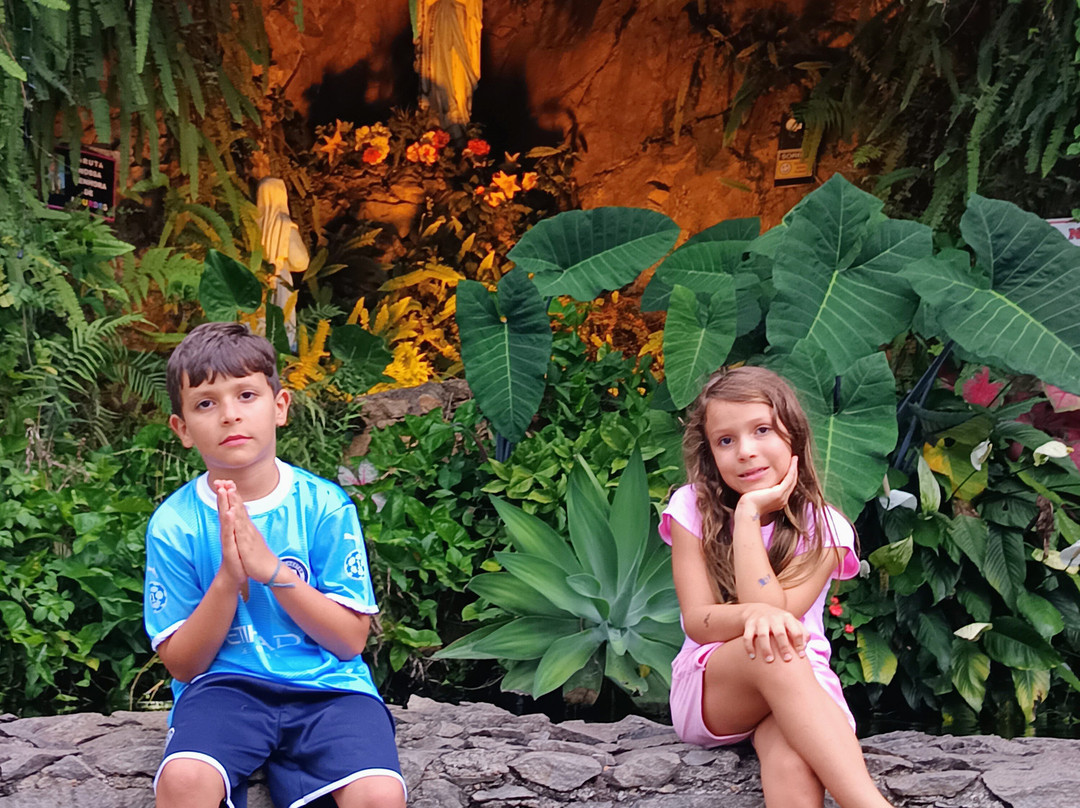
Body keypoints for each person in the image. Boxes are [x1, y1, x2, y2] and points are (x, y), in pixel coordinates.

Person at [144, 322, 405, 808]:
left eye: (246, 394)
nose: (229, 415)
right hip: (225, 688)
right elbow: (183, 663)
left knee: (379, 792)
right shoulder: (175, 524)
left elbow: (349, 641)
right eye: (205, 403)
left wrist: (272, 571)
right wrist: (228, 579)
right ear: (181, 429)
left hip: (329, 690)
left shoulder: (324, 506)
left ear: (279, 407)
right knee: (183, 782)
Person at [663, 366, 893, 808]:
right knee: (771, 642)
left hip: (805, 689)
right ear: (710, 454)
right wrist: (747, 512)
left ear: (795, 437)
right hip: (715, 687)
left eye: (762, 430)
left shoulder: (826, 527)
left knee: (792, 760)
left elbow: (773, 608)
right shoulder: (692, 506)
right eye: (725, 441)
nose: (745, 451)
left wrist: (748, 522)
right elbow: (700, 622)